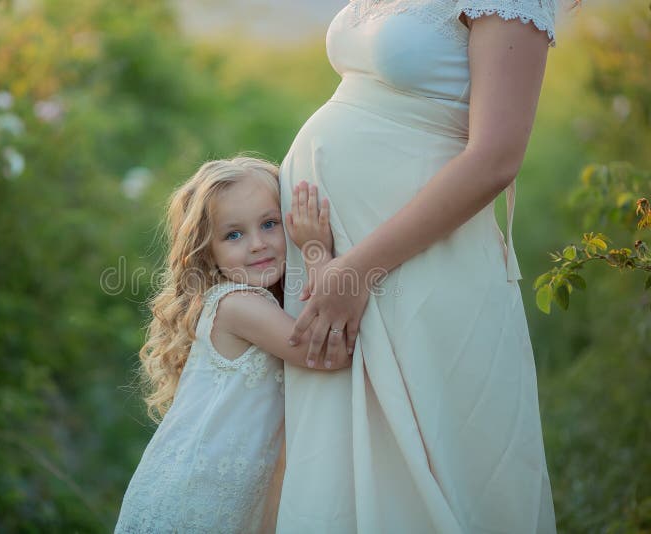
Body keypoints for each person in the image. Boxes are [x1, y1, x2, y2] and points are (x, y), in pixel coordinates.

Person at [275, 1, 563, 532]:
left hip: (413, 264)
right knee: (341, 465)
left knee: (429, 471)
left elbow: (497, 158)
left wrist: (358, 268)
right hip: (336, 262)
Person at [113, 156, 348, 534]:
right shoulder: (237, 304)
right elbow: (327, 353)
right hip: (193, 500)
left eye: (269, 224)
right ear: (208, 254)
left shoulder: (260, 302)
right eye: (233, 235)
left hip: (221, 499)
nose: (258, 244)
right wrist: (317, 251)